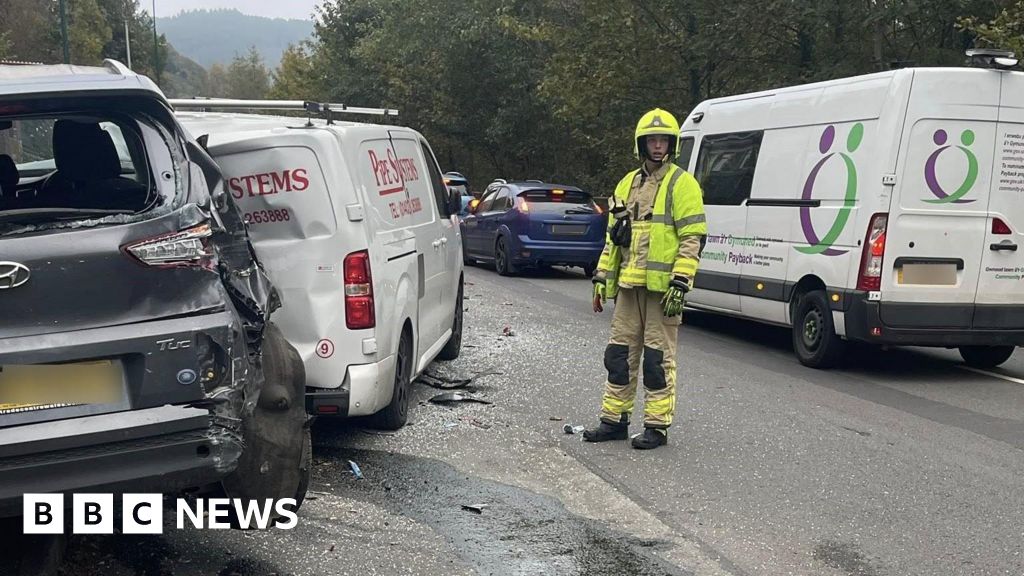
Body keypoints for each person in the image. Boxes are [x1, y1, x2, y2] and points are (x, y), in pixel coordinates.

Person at [584, 108, 707, 450]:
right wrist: (600, 279)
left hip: (662, 290)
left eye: (663, 140)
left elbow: (692, 238)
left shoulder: (682, 184)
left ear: (672, 144)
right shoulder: (627, 183)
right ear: (641, 144)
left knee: (657, 360)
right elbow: (614, 238)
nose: (657, 146)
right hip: (628, 287)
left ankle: (656, 426)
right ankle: (613, 421)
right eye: (652, 140)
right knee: (618, 356)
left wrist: (681, 282)